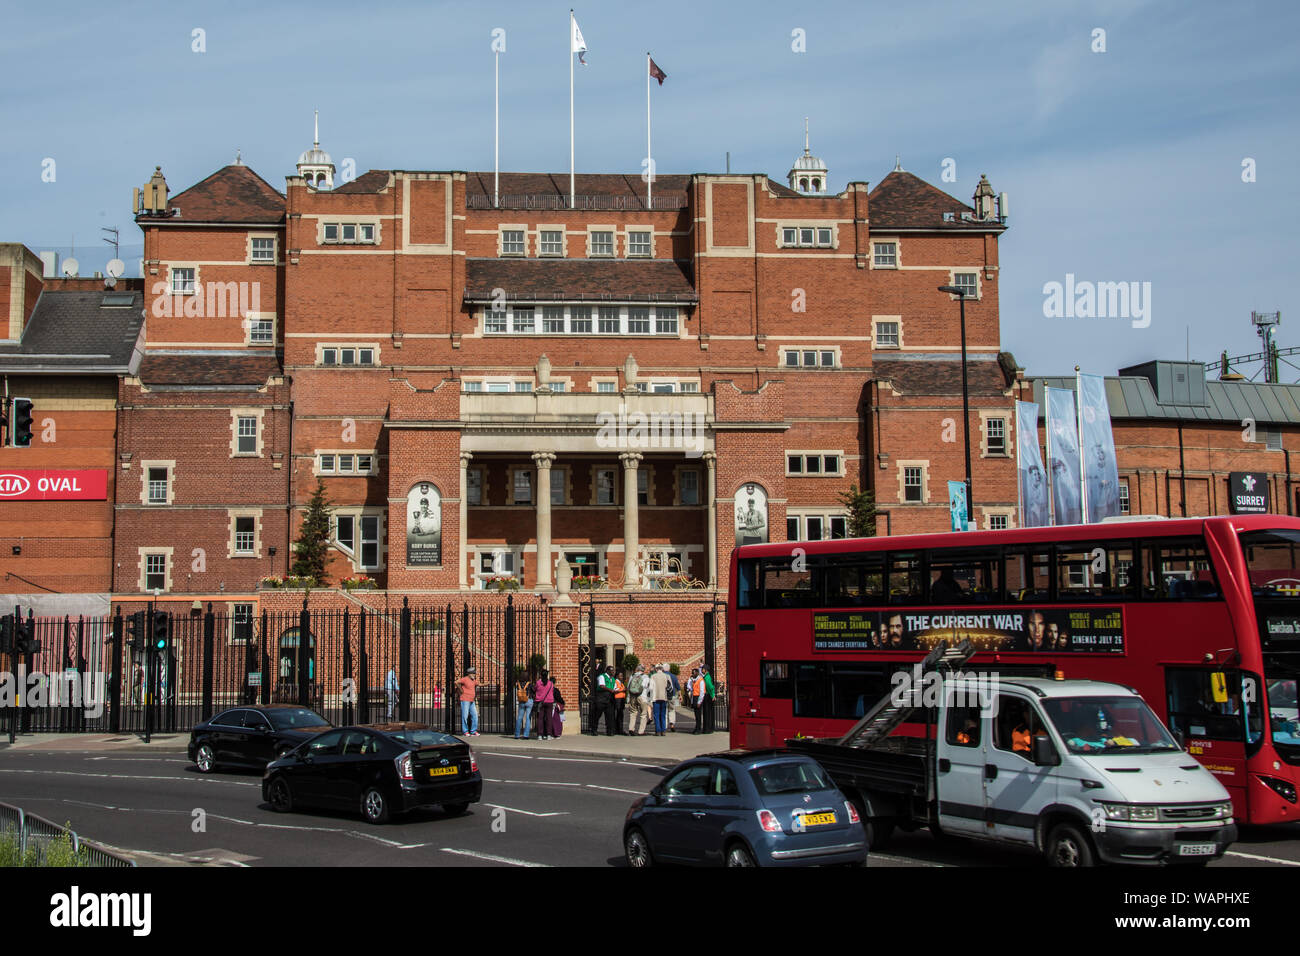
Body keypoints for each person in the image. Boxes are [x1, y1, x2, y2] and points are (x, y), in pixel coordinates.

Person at [592, 665, 616, 735]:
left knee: (609, 715)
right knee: (597, 715)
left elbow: (614, 688)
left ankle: (609, 731)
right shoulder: (602, 676)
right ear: (608, 671)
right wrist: (610, 690)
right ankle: (594, 730)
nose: (613, 672)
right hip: (601, 698)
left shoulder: (613, 679)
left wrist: (615, 691)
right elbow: (601, 686)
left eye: (613, 671)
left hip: (609, 698)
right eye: (612, 671)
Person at [649, 663, 671, 736]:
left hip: (656, 697)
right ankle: (663, 730)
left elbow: (651, 688)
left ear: (656, 669)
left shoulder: (653, 676)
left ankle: (658, 731)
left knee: (656, 715)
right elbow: (670, 688)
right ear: (662, 669)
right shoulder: (666, 676)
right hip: (664, 697)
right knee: (663, 715)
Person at [626, 666, 650, 736]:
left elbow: (628, 686)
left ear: (637, 669)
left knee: (633, 712)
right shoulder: (646, 677)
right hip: (642, 696)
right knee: (643, 714)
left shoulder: (632, 675)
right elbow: (647, 687)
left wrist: (628, 697)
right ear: (643, 670)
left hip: (633, 696)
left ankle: (631, 729)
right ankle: (641, 731)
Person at [456, 666, 479, 736]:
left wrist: (486, 683)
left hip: (472, 700)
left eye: (474, 673)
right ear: (469, 673)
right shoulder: (465, 679)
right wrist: (460, 689)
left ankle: (473, 731)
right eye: (473, 673)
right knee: (465, 716)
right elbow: (456, 682)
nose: (474, 675)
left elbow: (479, 684)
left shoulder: (473, 680)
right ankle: (465, 731)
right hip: (465, 699)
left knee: (475, 715)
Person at [534, 669, 556, 740]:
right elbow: (552, 691)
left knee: (540, 719)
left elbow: (535, 689)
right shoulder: (550, 683)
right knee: (549, 718)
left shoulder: (538, 683)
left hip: (540, 702)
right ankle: (548, 734)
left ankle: (540, 734)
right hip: (549, 701)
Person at [514, 669, 535, 739]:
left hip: (521, 701)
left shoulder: (518, 683)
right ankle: (526, 734)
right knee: (528, 718)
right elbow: (534, 690)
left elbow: (517, 689)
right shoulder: (529, 684)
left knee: (519, 718)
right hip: (529, 700)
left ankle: (517, 734)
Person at [688, 667, 704, 734]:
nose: (692, 674)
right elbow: (690, 688)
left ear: (697, 673)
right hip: (694, 697)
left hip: (698, 698)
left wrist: (699, 701)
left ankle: (698, 728)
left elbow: (702, 691)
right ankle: (697, 727)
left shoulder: (700, 680)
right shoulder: (694, 680)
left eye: (693, 673)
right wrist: (691, 679)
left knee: (698, 715)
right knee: (696, 715)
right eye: (692, 673)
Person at [665, 664, 680, 732]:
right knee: (672, 710)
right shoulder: (673, 676)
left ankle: (664, 726)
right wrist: (680, 695)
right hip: (672, 695)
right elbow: (678, 686)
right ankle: (672, 724)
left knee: (664, 710)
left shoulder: (662, 675)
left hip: (664, 696)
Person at [701, 665, 716, 734]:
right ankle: (708, 728)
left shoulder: (707, 677)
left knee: (707, 712)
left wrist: (713, 695)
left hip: (707, 695)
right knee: (707, 712)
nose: (701, 670)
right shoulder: (707, 676)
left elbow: (710, 687)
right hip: (707, 695)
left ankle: (707, 728)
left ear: (705, 670)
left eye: (702, 669)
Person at [613, 669, 628, 735]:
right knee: (618, 714)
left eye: (622, 676)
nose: (622, 677)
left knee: (621, 715)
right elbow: (615, 690)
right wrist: (623, 690)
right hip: (618, 699)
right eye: (620, 676)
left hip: (621, 699)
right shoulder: (616, 682)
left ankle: (620, 729)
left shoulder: (620, 682)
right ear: (617, 676)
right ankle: (618, 729)